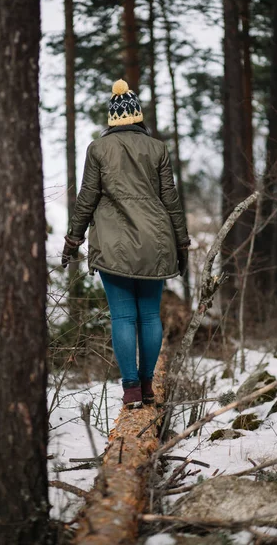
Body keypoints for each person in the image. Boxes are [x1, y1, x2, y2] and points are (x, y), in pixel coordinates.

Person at [62, 79, 190, 409]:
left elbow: (86, 198)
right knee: (149, 316)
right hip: (156, 241)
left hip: (112, 243)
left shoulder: (98, 149)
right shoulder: (157, 148)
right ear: (137, 117)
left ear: (112, 119)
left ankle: (131, 389)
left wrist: (72, 240)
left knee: (122, 317)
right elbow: (171, 200)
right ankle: (148, 386)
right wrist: (182, 243)